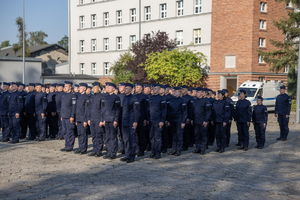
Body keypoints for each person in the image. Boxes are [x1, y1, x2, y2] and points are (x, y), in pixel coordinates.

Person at [120, 83, 140, 163]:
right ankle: (127, 155)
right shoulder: (124, 98)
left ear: (131, 89)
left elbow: (137, 111)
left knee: (131, 140)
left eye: (127, 88)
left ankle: (132, 156)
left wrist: (135, 121)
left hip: (131, 122)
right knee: (125, 139)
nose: (125, 89)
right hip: (124, 121)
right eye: (125, 88)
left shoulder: (134, 99)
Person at [147, 84, 167, 159]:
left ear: (159, 90)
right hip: (151, 120)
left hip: (158, 120)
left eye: (155, 88)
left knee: (157, 138)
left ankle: (158, 153)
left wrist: (162, 120)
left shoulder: (162, 99)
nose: (153, 89)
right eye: (153, 88)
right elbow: (148, 110)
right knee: (152, 137)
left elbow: (164, 110)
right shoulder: (150, 98)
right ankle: (153, 152)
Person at [102, 82, 121, 160]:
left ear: (114, 89)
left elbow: (118, 110)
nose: (108, 88)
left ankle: (113, 153)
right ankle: (109, 152)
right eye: (107, 87)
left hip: (112, 120)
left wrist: (116, 120)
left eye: (110, 87)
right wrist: (103, 119)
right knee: (107, 137)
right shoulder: (105, 97)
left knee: (113, 137)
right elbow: (103, 110)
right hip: (106, 119)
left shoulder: (116, 98)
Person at [190, 87, 211, 154]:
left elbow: (208, 112)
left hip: (202, 121)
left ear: (202, 93)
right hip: (196, 121)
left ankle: (202, 149)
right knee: (196, 135)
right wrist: (192, 119)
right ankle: (197, 148)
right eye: (196, 92)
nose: (197, 93)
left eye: (198, 92)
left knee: (203, 135)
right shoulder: (195, 100)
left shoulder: (206, 101)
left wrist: (206, 120)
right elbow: (193, 111)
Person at [167, 87, 187, 156]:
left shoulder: (182, 100)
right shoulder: (171, 100)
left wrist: (183, 121)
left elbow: (184, 112)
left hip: (179, 120)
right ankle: (174, 149)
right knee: (174, 135)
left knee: (179, 135)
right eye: (173, 92)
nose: (174, 93)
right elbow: (169, 111)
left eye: (175, 92)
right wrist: (169, 120)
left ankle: (179, 150)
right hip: (172, 120)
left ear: (179, 92)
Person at [88, 82, 105, 157]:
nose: (94, 89)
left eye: (95, 88)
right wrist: (88, 119)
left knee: (99, 135)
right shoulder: (91, 97)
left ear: (99, 89)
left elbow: (103, 109)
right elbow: (89, 109)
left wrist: (102, 120)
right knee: (93, 135)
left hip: (98, 119)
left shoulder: (102, 97)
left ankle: (99, 151)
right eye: (93, 88)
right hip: (92, 119)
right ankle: (95, 150)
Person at [60, 81, 77, 152]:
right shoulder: (64, 95)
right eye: (65, 86)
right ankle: (66, 145)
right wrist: (61, 115)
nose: (65, 88)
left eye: (66, 86)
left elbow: (74, 107)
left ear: (70, 87)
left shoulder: (73, 95)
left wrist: (72, 116)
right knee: (64, 131)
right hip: (64, 116)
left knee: (70, 131)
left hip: (69, 116)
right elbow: (62, 106)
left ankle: (70, 146)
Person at [74, 83, 89, 155]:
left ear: (84, 89)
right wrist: (76, 119)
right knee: (79, 134)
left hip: (83, 119)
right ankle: (80, 147)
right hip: (79, 118)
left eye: (80, 88)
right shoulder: (79, 97)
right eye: (79, 88)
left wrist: (85, 120)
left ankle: (84, 149)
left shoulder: (86, 97)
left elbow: (86, 110)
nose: (79, 89)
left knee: (83, 134)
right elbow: (77, 109)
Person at [134, 82, 148, 157]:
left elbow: (146, 108)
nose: (135, 89)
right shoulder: (134, 96)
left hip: (141, 118)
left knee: (141, 135)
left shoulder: (144, 97)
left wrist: (146, 118)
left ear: (140, 88)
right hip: (134, 118)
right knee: (135, 135)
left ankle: (142, 149)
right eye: (135, 87)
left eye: (137, 87)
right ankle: (136, 149)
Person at [181, 85, 193, 151]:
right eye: (181, 89)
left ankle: (186, 145)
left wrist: (189, 117)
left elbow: (190, 109)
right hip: (181, 117)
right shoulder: (181, 97)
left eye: (183, 89)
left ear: (186, 90)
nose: (182, 90)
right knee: (182, 132)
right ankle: (182, 144)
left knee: (186, 132)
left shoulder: (189, 98)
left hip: (187, 117)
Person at [117, 82, 126, 154]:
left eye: (121, 87)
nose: (120, 88)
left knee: (125, 134)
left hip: (124, 117)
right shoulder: (118, 96)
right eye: (119, 87)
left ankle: (126, 148)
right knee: (119, 133)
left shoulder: (126, 96)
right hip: (118, 117)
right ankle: (122, 147)